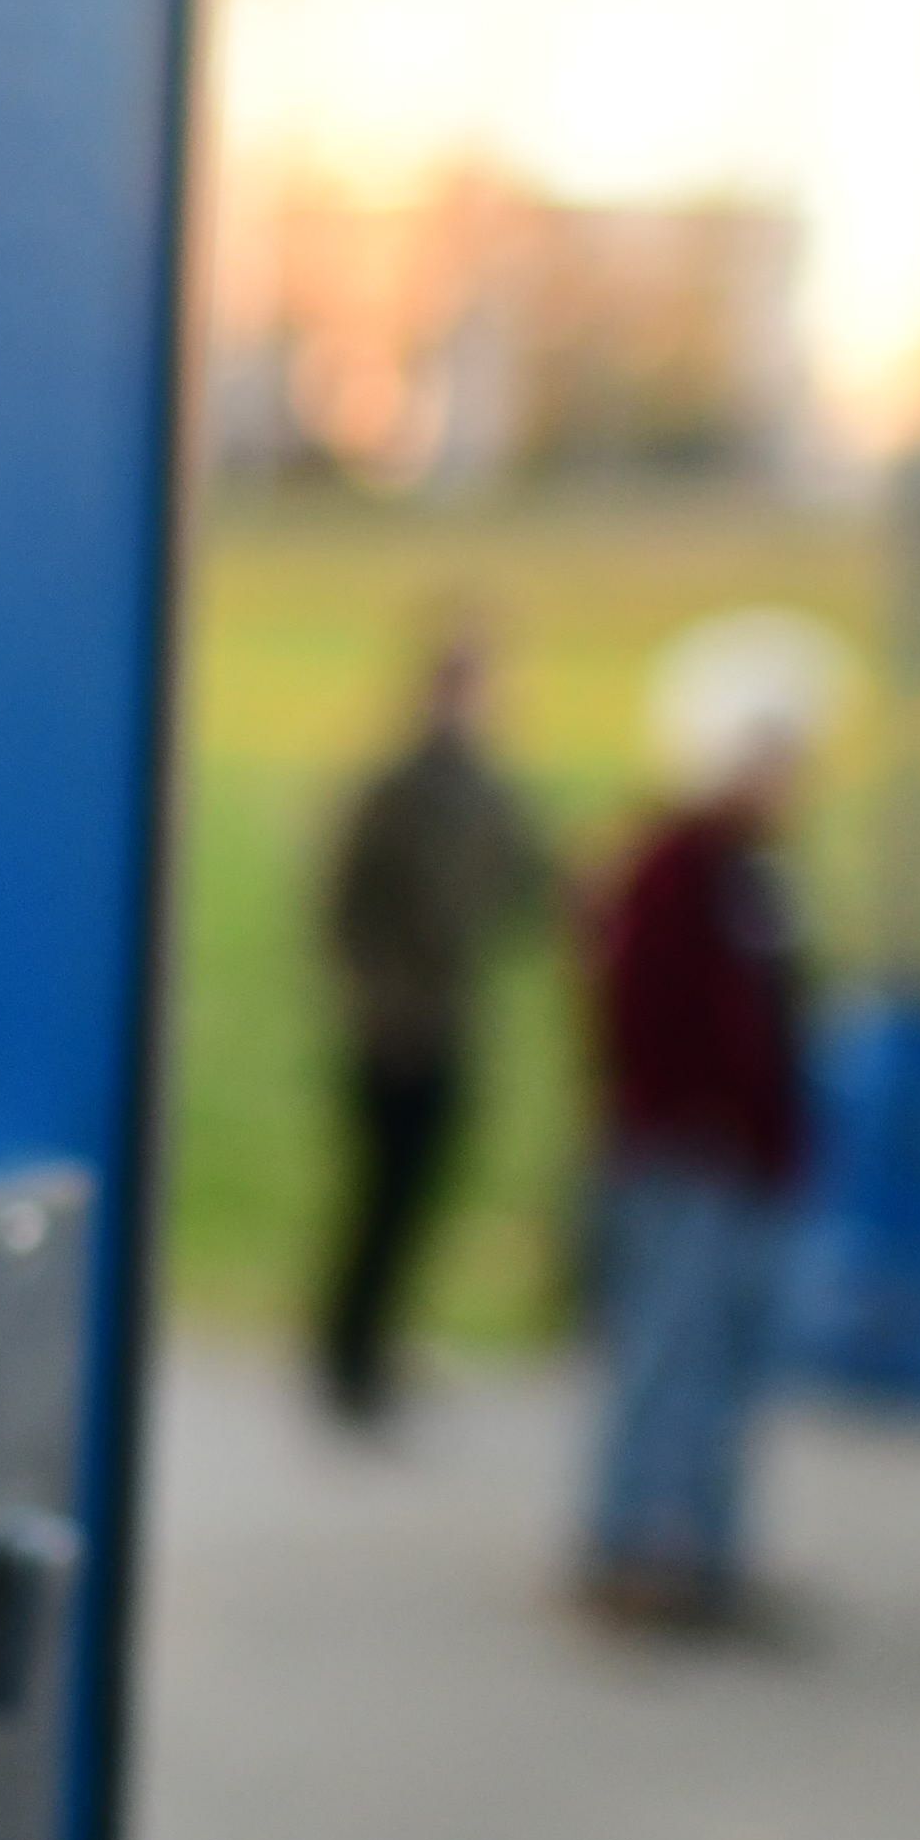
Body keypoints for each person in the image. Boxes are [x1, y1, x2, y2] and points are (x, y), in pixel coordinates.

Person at [576, 610, 846, 1637]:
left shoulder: (755, 868)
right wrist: (697, 1120)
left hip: (749, 1164)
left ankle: (712, 1551)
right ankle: (634, 1549)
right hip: (683, 1159)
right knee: (665, 1358)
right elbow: (635, 1017)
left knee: (733, 1364)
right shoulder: (670, 864)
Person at [313, 611, 554, 1425]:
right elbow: (344, 911)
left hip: (452, 1023)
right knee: (376, 1200)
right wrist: (379, 1008)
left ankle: (381, 1346)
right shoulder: (393, 789)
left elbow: (526, 891)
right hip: (392, 1032)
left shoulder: (489, 792)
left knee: (421, 1201)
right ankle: (346, 1357)